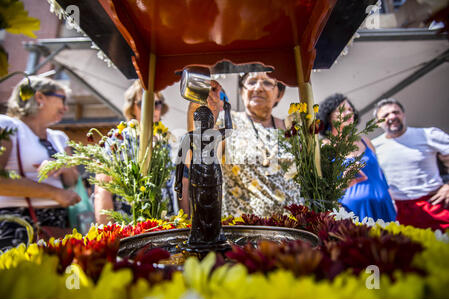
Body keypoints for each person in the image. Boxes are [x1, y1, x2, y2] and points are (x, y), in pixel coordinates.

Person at [183, 72, 302, 217]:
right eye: (251, 82)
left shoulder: (292, 129)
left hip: (292, 231)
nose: (258, 88)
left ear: (280, 94)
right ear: (241, 90)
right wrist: (198, 109)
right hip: (244, 233)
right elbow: (196, 162)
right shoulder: (229, 123)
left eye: (267, 82)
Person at [0, 76, 80, 250]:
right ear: (39, 97)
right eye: (62, 99)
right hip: (16, 223)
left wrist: (65, 168)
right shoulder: (6, 126)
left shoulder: (59, 138)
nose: (65, 108)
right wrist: (54, 193)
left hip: (57, 224)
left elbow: (72, 181)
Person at [94, 80, 175, 224]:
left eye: (157, 104)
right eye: (144, 104)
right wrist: (106, 231)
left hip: (163, 224)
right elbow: (102, 189)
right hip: (129, 226)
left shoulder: (164, 141)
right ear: (132, 108)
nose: (152, 109)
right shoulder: (118, 140)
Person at [317, 93, 396, 222]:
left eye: (350, 110)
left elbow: (379, 173)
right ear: (328, 116)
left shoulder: (365, 141)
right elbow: (321, 190)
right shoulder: (323, 148)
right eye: (342, 110)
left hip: (383, 207)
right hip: (352, 212)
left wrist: (391, 198)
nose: (348, 113)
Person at [372, 98, 449, 230]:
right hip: (398, 213)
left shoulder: (428, 134)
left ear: (403, 114)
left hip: (434, 205)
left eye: (396, 112)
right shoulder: (373, 146)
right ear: (377, 123)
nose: (392, 116)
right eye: (385, 115)